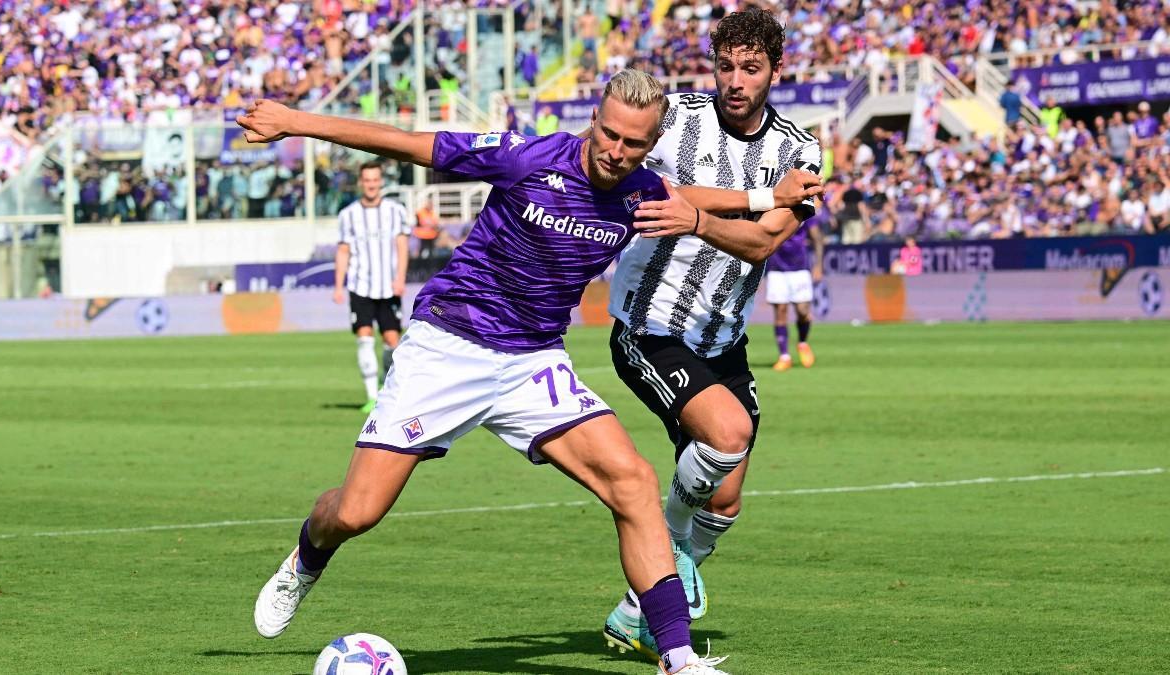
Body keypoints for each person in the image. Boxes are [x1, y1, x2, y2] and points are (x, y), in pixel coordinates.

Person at [237, 69, 813, 675]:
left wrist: (767, 198)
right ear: (594, 119)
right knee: (356, 513)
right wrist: (293, 122)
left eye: (634, 144)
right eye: (609, 135)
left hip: (532, 361)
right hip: (448, 346)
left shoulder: (643, 190)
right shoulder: (527, 157)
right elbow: (410, 143)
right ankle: (306, 558)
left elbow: (688, 196)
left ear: (651, 144)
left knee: (634, 482)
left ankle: (677, 657)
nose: (617, 152)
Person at [600, 8, 823, 661]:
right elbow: (639, 173)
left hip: (724, 338)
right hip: (651, 323)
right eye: (725, 65)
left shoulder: (799, 150)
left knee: (724, 502)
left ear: (776, 71)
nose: (735, 79)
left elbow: (762, 243)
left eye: (750, 68)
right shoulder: (675, 120)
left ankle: (635, 610)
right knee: (729, 434)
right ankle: (666, 564)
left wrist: (693, 214)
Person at [334, 161, 412, 413]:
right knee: (364, 338)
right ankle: (371, 397)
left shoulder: (395, 210)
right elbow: (343, 251)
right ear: (360, 183)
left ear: (381, 182)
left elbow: (401, 246)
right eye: (366, 180)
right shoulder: (348, 215)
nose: (371, 184)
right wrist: (338, 286)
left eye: (375, 180)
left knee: (392, 341)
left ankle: (388, 391)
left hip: (388, 286)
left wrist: (400, 278)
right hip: (360, 285)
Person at [765, 218, 824, 371]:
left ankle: (802, 343)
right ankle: (784, 356)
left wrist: (818, 265)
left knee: (803, 311)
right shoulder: (774, 210)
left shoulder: (805, 211)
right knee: (780, 312)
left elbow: (817, 238)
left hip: (800, 268)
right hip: (777, 269)